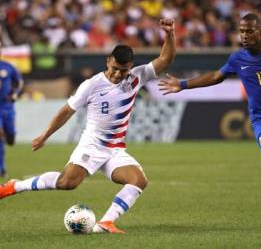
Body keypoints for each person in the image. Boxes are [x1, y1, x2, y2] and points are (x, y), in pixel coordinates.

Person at [0, 18, 176, 234]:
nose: (118, 74)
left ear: (130, 67)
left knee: (138, 180)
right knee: (67, 183)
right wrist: (45, 135)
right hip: (92, 145)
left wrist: (169, 34)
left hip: (115, 149)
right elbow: (66, 111)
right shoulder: (91, 85)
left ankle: (106, 222)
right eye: (114, 68)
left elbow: (165, 58)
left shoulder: (136, 77)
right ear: (107, 60)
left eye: (123, 70)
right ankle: (15, 186)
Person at [159, 13, 261, 214]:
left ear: (260, 31)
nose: (244, 35)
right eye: (241, 31)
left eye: (249, 31)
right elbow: (217, 76)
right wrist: (182, 84)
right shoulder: (237, 58)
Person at [0, 41, 24, 177]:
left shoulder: (8, 67)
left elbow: (19, 82)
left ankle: (11, 135)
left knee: (10, 139)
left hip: (7, 106)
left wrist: (15, 93)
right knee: (0, 135)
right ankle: (2, 168)